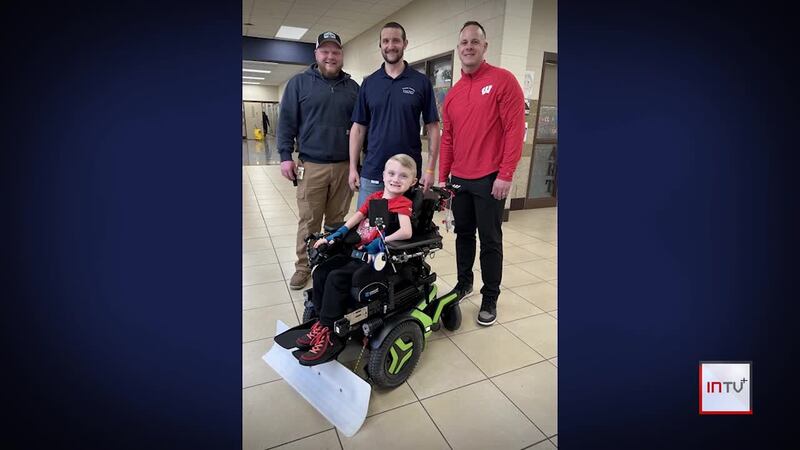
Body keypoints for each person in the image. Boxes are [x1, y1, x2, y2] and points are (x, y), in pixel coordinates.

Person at [438, 21, 525, 326]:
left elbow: (516, 130)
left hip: (490, 179)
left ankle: (490, 296)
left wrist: (506, 174)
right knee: (463, 236)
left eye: (475, 41)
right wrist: (442, 180)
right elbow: (448, 139)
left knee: (490, 240)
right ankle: (464, 284)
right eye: (463, 42)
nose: (469, 47)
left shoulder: (503, 81)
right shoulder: (453, 94)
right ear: (458, 48)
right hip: (459, 180)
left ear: (485, 46)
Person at [297, 154, 417, 365]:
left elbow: (406, 232)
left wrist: (381, 241)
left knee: (336, 277)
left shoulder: (401, 203)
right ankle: (320, 322)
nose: (396, 179)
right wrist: (334, 235)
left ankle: (330, 335)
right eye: (391, 173)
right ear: (383, 175)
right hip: (356, 252)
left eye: (403, 176)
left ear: (412, 182)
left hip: (375, 260)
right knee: (322, 271)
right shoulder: (376, 197)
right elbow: (357, 217)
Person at [277, 31, 360, 290]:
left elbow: (360, 128)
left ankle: (331, 262)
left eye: (335, 52)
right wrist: (284, 156)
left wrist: (359, 164)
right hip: (311, 166)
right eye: (325, 51)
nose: (330, 56)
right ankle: (304, 267)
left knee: (337, 220)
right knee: (310, 221)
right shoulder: (299, 83)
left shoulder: (353, 88)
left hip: (344, 167)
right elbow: (287, 122)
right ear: (316, 55)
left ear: (342, 56)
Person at [348, 22, 440, 208]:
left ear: (405, 43)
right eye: (386, 41)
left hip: (407, 174)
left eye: (396, 41)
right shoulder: (369, 83)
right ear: (380, 45)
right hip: (373, 171)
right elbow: (358, 129)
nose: (391, 46)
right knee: (367, 231)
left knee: (404, 232)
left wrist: (430, 169)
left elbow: (433, 127)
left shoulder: (421, 82)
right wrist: (352, 168)